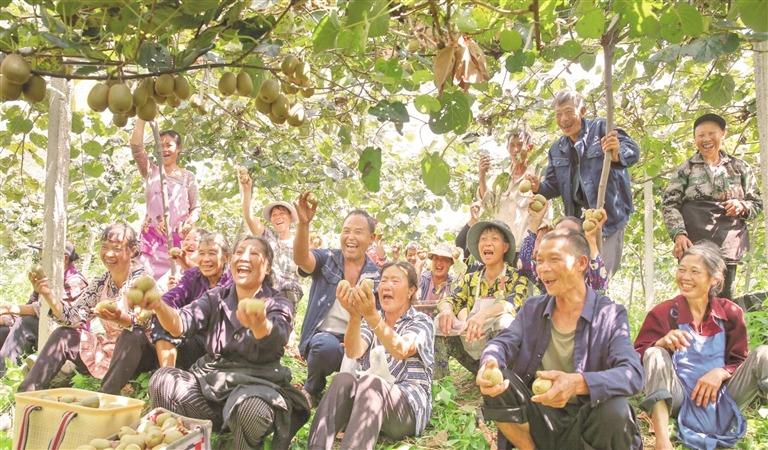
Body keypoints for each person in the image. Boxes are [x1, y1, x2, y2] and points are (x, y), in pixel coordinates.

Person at [477, 228, 644, 450]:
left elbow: (632, 374)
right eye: (539, 261)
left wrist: (578, 384)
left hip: (588, 420)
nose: (543, 268)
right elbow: (502, 343)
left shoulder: (611, 314)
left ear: (581, 263)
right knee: (500, 385)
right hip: (540, 416)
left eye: (554, 259)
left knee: (617, 410)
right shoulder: (532, 308)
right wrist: (489, 361)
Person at [147, 235, 310, 449]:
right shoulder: (216, 296)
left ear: (268, 267)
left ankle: (240, 442)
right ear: (231, 260)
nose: (244, 258)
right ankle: (184, 442)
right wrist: (158, 305)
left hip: (256, 390)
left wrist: (259, 324)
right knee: (163, 380)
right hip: (209, 388)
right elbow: (180, 324)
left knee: (249, 410)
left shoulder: (278, 303)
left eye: (253, 254)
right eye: (240, 252)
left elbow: (277, 337)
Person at [634, 242, 768, 450]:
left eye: (695, 271)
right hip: (679, 398)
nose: (685, 277)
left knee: (764, 354)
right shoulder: (664, 312)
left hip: (724, 396)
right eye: (681, 270)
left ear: (714, 279)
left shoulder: (730, 312)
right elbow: (635, 358)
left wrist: (721, 372)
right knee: (655, 353)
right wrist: (661, 343)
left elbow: (739, 360)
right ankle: (663, 441)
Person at [308, 262, 434, 449]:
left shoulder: (421, 321)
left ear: (410, 291)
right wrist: (354, 316)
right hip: (370, 403)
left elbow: (401, 349)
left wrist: (371, 316)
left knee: (371, 383)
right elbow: (353, 351)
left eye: (395, 281)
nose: (387, 285)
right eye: (384, 280)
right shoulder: (373, 318)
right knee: (343, 379)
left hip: (407, 408)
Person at [20, 223, 156, 395]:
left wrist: (119, 318)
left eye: (116, 248)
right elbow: (72, 318)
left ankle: (105, 397)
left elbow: (144, 323)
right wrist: (47, 294)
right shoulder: (100, 283)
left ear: (132, 250)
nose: (108, 254)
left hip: (141, 354)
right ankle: (27, 394)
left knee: (131, 335)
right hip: (109, 350)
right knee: (63, 334)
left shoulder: (142, 280)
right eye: (104, 247)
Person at [526, 89, 640, 280]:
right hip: (578, 224)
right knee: (578, 276)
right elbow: (552, 186)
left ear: (583, 111)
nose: (564, 119)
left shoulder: (602, 128)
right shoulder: (557, 149)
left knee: (601, 275)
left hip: (608, 219)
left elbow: (633, 151)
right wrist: (538, 187)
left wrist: (617, 153)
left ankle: (599, 308)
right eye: (558, 114)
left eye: (569, 112)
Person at [662, 113, 762, 303]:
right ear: (695, 139)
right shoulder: (685, 169)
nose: (706, 139)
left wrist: (741, 206)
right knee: (695, 298)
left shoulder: (739, 168)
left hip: (728, 243)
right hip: (694, 243)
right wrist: (679, 234)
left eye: (711, 133)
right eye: (701, 135)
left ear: (723, 134)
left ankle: (724, 332)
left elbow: (757, 203)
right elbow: (669, 205)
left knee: (724, 299)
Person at [293, 193, 380, 407]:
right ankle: (312, 388)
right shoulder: (327, 259)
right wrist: (304, 224)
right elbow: (302, 259)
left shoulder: (377, 275)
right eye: (346, 231)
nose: (350, 237)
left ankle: (350, 394)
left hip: (359, 338)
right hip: (326, 337)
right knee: (324, 347)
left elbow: (378, 316)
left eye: (358, 232)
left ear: (372, 239)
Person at [434, 220, 529, 380]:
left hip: (506, 356)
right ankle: (441, 387)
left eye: (494, 239)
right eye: (483, 239)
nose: (487, 244)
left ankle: (504, 380)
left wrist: (484, 314)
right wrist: (446, 310)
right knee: (439, 321)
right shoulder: (470, 279)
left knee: (505, 320)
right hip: (473, 351)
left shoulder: (517, 277)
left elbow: (514, 302)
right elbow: (451, 299)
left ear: (505, 247)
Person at [0, 242, 88, 377]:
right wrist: (5, 318)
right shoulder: (47, 278)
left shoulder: (75, 281)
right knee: (3, 330)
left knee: (26, 322)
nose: (40, 261)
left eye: (43, 257)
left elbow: (45, 310)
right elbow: (30, 304)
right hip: (43, 330)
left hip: (68, 335)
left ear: (64, 259)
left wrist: (8, 308)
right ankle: (9, 374)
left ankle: (3, 376)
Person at [130, 118, 201, 281]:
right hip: (150, 242)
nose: (164, 149)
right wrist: (142, 118)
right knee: (145, 285)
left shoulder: (187, 177)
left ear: (179, 148)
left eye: (169, 145)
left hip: (176, 241)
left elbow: (196, 207)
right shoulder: (151, 171)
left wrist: (190, 221)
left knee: (173, 285)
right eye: (160, 146)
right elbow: (136, 148)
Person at [152, 232, 232, 368]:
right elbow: (171, 298)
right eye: (201, 253)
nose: (205, 259)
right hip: (191, 340)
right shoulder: (192, 276)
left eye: (212, 253)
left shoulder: (233, 281)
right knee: (163, 316)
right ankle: (167, 374)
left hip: (220, 347)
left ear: (226, 256)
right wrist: (156, 305)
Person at [477, 126, 550, 251]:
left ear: (529, 147)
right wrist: (482, 176)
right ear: (507, 148)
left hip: (525, 247)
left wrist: (538, 244)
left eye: (520, 145)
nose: (516, 150)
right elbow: (488, 204)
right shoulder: (500, 177)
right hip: (500, 249)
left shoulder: (537, 177)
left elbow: (546, 216)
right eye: (512, 145)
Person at [239, 170, 303, 308]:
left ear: (290, 218)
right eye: (274, 215)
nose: (278, 217)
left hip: (289, 291)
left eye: (282, 214)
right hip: (266, 287)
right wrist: (246, 190)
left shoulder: (299, 241)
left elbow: (304, 269)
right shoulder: (268, 236)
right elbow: (249, 217)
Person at [518, 197, 608, 293]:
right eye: (558, 235)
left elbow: (600, 287)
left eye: (570, 235)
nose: (562, 240)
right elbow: (524, 264)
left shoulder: (585, 271)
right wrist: (534, 221)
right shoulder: (548, 272)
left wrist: (591, 239)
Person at [415, 242, 455, 318]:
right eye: (436, 258)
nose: (439, 262)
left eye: (444, 259)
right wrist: (418, 267)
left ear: (450, 263)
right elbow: (413, 297)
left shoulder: (453, 284)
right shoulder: (424, 279)